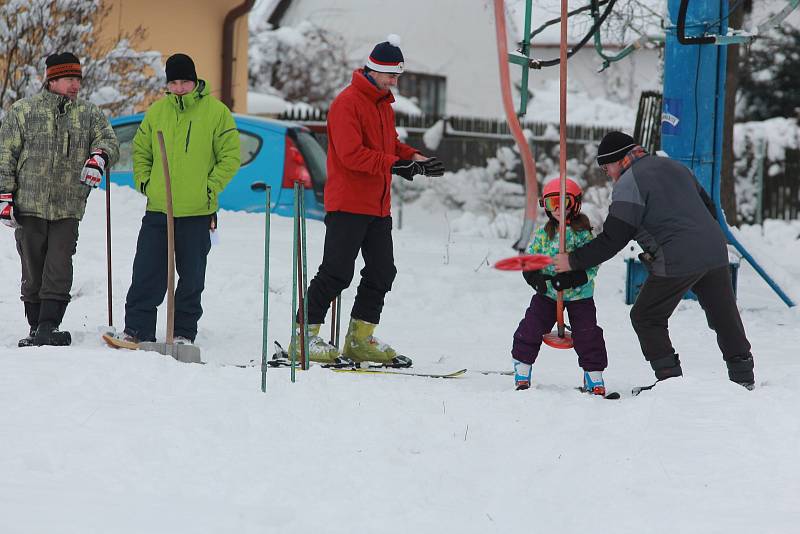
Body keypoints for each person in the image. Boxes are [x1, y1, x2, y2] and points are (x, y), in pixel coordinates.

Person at [554, 131, 755, 390]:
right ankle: (743, 377)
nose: (609, 175)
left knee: (646, 316)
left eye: (606, 168)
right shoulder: (674, 166)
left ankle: (670, 385)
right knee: (723, 314)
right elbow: (709, 207)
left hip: (677, 256)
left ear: (617, 160)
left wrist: (572, 261)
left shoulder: (629, 184)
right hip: (714, 249)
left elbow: (614, 238)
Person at [291, 34, 445, 367]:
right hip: (348, 203)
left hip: (377, 206)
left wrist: (415, 158)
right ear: (373, 70)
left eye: (397, 75)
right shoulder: (347, 103)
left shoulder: (383, 106)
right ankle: (303, 337)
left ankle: (359, 339)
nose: (395, 81)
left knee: (381, 271)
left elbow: (390, 146)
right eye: (391, 74)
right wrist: (395, 163)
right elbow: (351, 155)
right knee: (336, 272)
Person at [109, 53, 240, 347]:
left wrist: (210, 187)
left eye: (185, 82)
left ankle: (182, 333)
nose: (179, 88)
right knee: (147, 272)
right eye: (174, 83)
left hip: (197, 211)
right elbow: (140, 151)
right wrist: (145, 182)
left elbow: (231, 156)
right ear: (168, 85)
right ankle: (137, 330)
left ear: (195, 82)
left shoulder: (216, 113)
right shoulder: (157, 112)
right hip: (158, 209)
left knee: (191, 277)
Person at [0, 52, 119, 347]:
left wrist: (98, 157)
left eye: (78, 79)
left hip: (68, 206)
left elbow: (109, 140)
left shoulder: (88, 114)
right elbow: (5, 155)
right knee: (32, 265)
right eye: (68, 79)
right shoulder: (23, 111)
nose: (75, 85)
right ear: (52, 80)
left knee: (59, 264)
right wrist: (4, 195)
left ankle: (49, 325)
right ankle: (36, 325)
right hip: (29, 205)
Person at [513, 178, 609, 394]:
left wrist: (573, 278)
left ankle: (594, 374)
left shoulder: (583, 234)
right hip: (547, 293)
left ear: (574, 204)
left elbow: (593, 264)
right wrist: (535, 279)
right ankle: (522, 366)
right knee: (532, 326)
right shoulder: (543, 234)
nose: (557, 209)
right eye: (551, 203)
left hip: (579, 295)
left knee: (587, 333)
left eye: (562, 202)